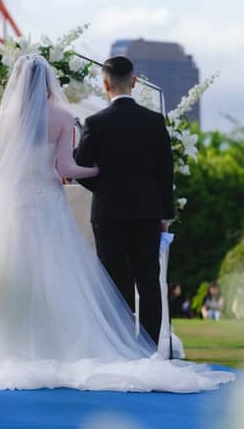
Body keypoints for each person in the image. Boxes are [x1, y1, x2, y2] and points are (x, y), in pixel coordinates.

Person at [0, 55, 234, 392]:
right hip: (95, 207)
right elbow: (85, 168)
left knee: (34, 276)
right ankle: (139, 350)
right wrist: (136, 195)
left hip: (32, 207)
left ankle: (23, 347)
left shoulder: (14, 117)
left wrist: (101, 181)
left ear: (106, 83)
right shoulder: (96, 118)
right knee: (115, 279)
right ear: (134, 82)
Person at [75, 56, 174, 345]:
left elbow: (81, 169)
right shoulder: (155, 121)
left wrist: (105, 187)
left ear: (105, 84)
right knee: (149, 281)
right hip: (147, 213)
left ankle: (120, 347)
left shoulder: (95, 122)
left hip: (108, 213)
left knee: (115, 284)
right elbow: (164, 173)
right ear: (133, 82)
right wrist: (165, 216)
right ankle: (149, 348)